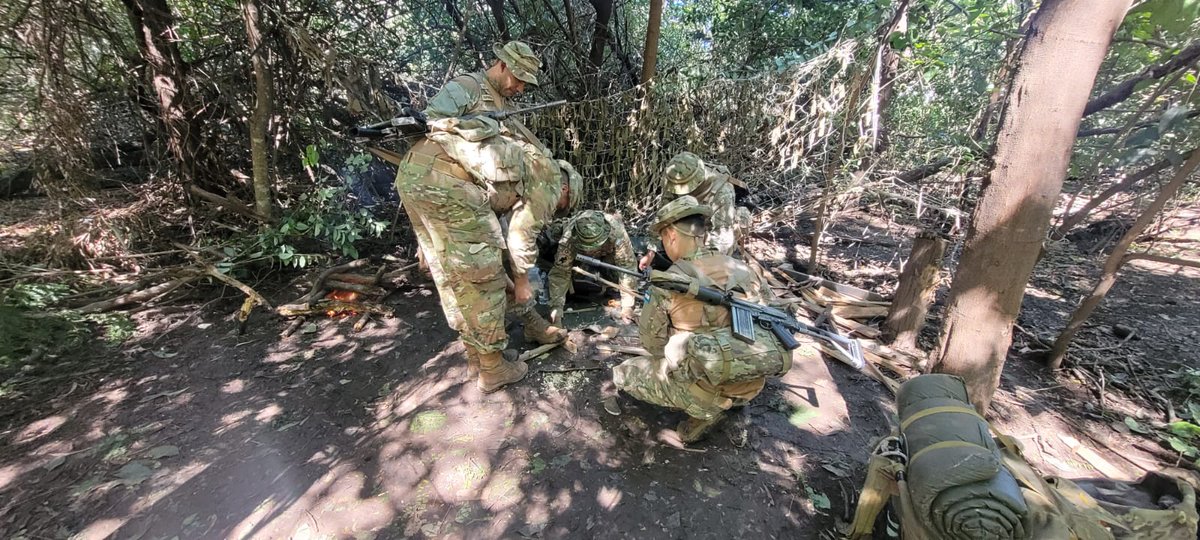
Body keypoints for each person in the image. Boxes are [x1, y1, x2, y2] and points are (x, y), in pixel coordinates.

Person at [394, 41, 563, 393]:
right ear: (501, 65)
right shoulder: (469, 87)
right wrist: (521, 281)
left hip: (425, 180)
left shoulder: (504, 107)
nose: (520, 88)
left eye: (526, 85)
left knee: (453, 273)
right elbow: (430, 125)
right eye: (518, 80)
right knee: (483, 276)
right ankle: (491, 367)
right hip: (446, 182)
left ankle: (476, 354)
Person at [611, 196, 791, 443]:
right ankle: (730, 403)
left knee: (623, 373)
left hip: (702, 389)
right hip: (751, 383)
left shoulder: (671, 282)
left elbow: (651, 345)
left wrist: (681, 339)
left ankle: (704, 410)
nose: (665, 245)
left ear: (672, 235)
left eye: (664, 239)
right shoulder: (745, 269)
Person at [638, 152, 750, 270]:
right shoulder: (675, 180)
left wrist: (695, 267)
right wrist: (651, 253)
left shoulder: (722, 191)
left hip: (710, 230)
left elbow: (722, 238)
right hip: (689, 229)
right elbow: (663, 217)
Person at [545, 209, 638, 325]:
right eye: (587, 246)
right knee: (571, 288)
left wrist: (628, 306)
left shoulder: (617, 233)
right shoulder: (568, 239)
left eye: (594, 245)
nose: (591, 249)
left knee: (615, 277)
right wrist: (556, 308)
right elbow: (560, 273)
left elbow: (627, 267)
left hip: (606, 255)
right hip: (579, 255)